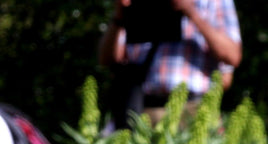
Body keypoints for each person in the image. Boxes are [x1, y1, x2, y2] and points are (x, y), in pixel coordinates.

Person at [99, 0, 241, 126]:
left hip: (194, 109)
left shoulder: (215, 2)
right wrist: (119, 18)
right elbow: (106, 59)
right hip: (142, 108)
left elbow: (233, 55)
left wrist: (191, 12)